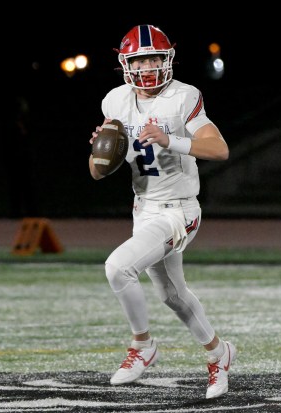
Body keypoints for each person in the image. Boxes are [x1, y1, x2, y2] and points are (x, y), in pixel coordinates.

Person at [88, 24, 235, 399]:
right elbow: (97, 172)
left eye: (155, 57)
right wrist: (103, 152)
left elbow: (219, 150)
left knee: (118, 267)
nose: (148, 66)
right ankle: (220, 353)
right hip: (144, 210)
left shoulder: (183, 96)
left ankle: (142, 346)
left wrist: (171, 140)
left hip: (180, 211)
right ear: (126, 63)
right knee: (172, 294)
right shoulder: (115, 101)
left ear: (168, 59)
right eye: (140, 59)